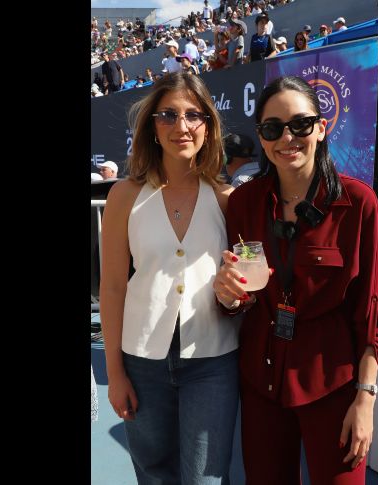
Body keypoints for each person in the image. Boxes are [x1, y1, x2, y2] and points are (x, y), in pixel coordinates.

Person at [212, 76, 378, 484]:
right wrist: (229, 296)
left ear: (321, 128)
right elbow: (239, 298)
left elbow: (372, 315)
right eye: (272, 128)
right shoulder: (243, 203)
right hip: (261, 381)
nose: (287, 138)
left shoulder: (358, 203)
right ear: (261, 136)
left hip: (333, 384)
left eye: (300, 124)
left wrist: (365, 399)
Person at [99, 72, 238, 485]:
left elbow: (241, 280)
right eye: (168, 115)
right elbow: (112, 288)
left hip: (213, 362)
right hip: (141, 362)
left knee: (204, 480)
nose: (182, 126)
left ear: (208, 126)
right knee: (154, 476)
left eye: (194, 115)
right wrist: (115, 374)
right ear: (152, 127)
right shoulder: (124, 195)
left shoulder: (227, 199)